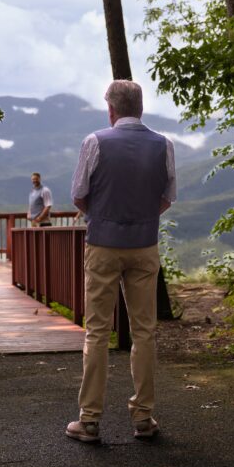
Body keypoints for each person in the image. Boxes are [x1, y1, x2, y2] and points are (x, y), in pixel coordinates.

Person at [65, 80, 176, 443]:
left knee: (97, 331)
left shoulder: (94, 142)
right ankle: (143, 417)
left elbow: (79, 195)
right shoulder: (164, 145)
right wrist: (142, 218)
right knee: (144, 331)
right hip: (145, 245)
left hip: (103, 245)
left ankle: (90, 419)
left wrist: (103, 217)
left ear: (111, 109)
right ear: (140, 108)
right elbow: (167, 197)